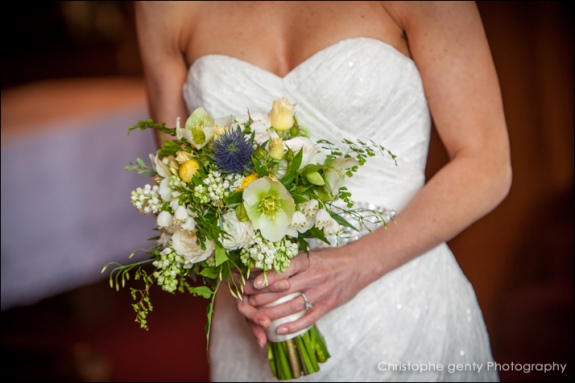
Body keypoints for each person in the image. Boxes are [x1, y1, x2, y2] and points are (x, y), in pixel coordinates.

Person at [135, 1, 512, 381]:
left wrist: (356, 265)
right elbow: (175, 175)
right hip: (264, 317)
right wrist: (243, 275)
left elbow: (487, 164)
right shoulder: (163, 8)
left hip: (403, 311)